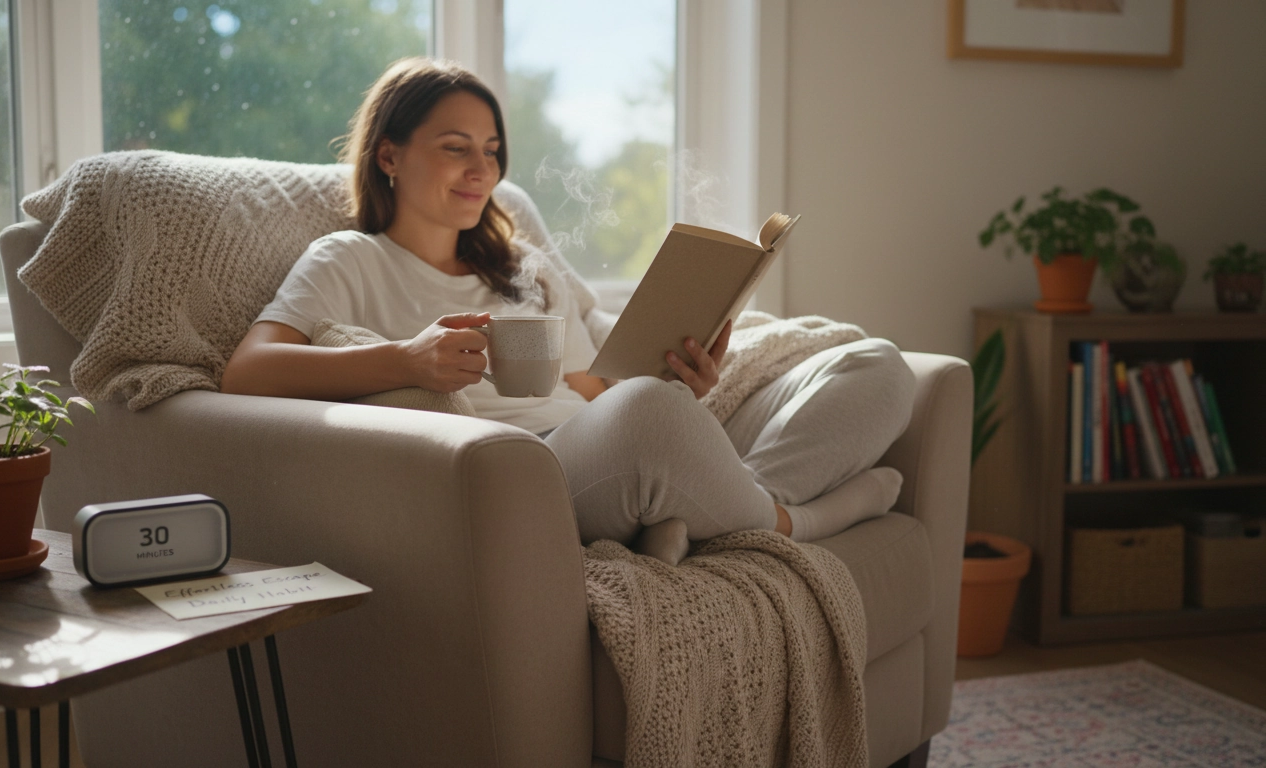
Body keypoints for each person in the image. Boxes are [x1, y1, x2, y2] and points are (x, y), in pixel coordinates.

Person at [222, 57, 915, 546]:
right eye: (457, 148)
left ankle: (721, 505)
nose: (482, 170)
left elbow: (587, 390)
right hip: (527, 473)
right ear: (389, 156)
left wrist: (677, 375)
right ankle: (798, 520)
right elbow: (246, 372)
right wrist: (407, 361)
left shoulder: (522, 263)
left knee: (877, 366)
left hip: (597, 444)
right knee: (648, 414)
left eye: (492, 150)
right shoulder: (349, 260)